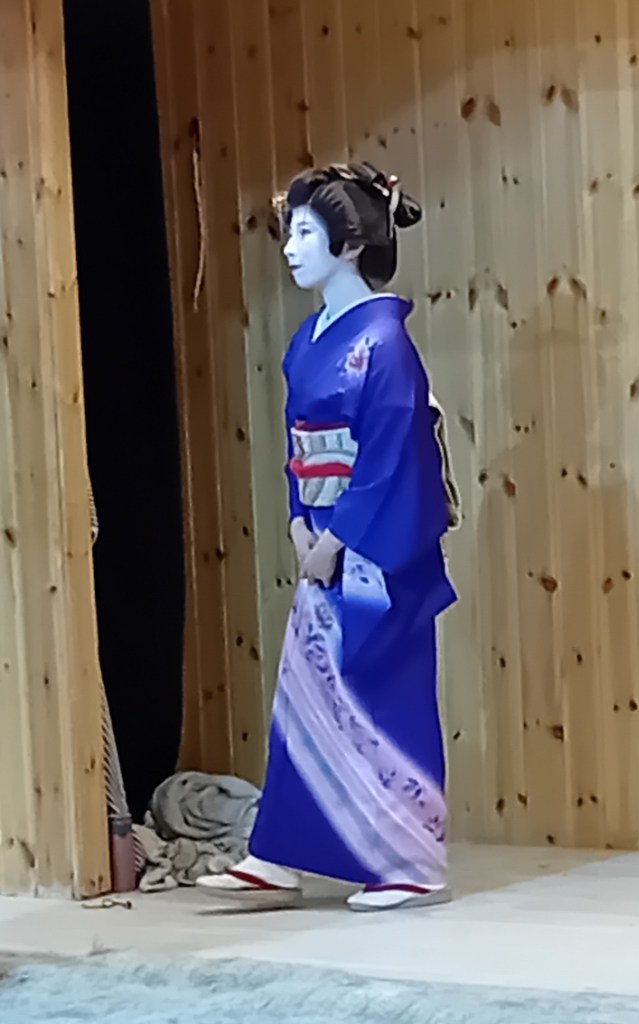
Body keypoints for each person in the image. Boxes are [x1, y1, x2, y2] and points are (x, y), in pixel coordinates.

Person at [197, 162, 458, 912]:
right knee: (307, 695)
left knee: (383, 695)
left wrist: (336, 538)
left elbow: (391, 454)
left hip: (378, 548)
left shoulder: (384, 341)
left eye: (305, 233)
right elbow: (299, 444)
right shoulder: (309, 340)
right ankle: (280, 853)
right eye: (291, 232)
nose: (290, 247)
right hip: (322, 533)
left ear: (349, 245)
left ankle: (409, 861)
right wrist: (297, 520)